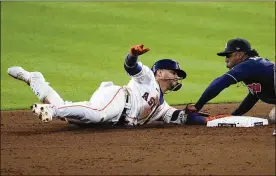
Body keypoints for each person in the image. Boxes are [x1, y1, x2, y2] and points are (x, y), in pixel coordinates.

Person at [9, 44, 206, 127]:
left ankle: (37, 81)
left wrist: (203, 119)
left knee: (74, 116)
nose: (176, 77)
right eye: (174, 73)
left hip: (112, 118)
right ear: (160, 72)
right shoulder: (147, 77)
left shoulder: (161, 107)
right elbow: (130, 66)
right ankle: (51, 109)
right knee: (96, 113)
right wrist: (133, 55)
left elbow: (178, 117)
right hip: (118, 98)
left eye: (178, 75)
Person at [186, 38, 276, 124]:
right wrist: (234, 116)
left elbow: (220, 82)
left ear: (240, 54)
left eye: (228, 55)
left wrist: (197, 106)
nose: (226, 59)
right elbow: (253, 96)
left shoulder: (247, 66)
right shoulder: (254, 64)